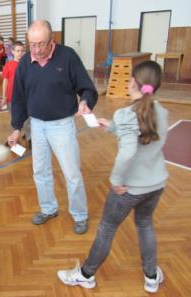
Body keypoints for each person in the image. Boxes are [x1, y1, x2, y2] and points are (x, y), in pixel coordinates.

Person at [58, 61, 168, 294]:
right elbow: (144, 138)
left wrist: (116, 180)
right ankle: (151, 277)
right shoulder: (161, 111)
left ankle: (85, 275)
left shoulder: (127, 113)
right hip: (156, 184)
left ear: (135, 83)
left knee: (106, 228)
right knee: (145, 224)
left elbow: (128, 152)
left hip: (129, 188)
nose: (127, 81)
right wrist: (114, 128)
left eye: (130, 78)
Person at [7, 20, 98, 234]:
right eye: (32, 44)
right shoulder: (24, 64)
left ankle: (80, 215)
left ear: (52, 41)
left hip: (62, 125)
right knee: (40, 171)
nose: (36, 50)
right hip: (36, 126)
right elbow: (18, 98)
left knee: (71, 173)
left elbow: (87, 87)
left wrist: (85, 102)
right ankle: (48, 209)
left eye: (41, 44)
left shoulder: (67, 57)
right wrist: (16, 127)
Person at [1, 41, 25, 109]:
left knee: (26, 119)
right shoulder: (8, 65)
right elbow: (5, 82)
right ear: (13, 51)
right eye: (18, 51)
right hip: (11, 98)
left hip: (24, 98)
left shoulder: (26, 65)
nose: (20, 53)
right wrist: (4, 96)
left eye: (22, 51)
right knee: (14, 118)